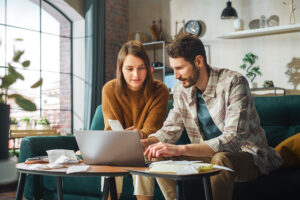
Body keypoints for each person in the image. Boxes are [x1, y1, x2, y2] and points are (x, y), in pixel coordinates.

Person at [142, 33, 283, 200]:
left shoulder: (234, 82)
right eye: (173, 69)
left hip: (248, 155)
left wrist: (181, 148)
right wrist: (145, 143)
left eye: (179, 68)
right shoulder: (181, 90)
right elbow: (169, 131)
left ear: (199, 61)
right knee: (159, 155)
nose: (175, 76)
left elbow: (233, 139)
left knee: (221, 159)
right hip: (207, 156)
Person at [102, 40, 169, 200]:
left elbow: (151, 131)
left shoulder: (160, 90)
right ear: (120, 69)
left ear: (148, 68)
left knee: (142, 156)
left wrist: (133, 136)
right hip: (117, 147)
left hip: (147, 147)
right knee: (111, 158)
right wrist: (126, 138)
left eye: (141, 68)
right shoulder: (109, 90)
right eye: (129, 69)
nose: (136, 75)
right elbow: (111, 131)